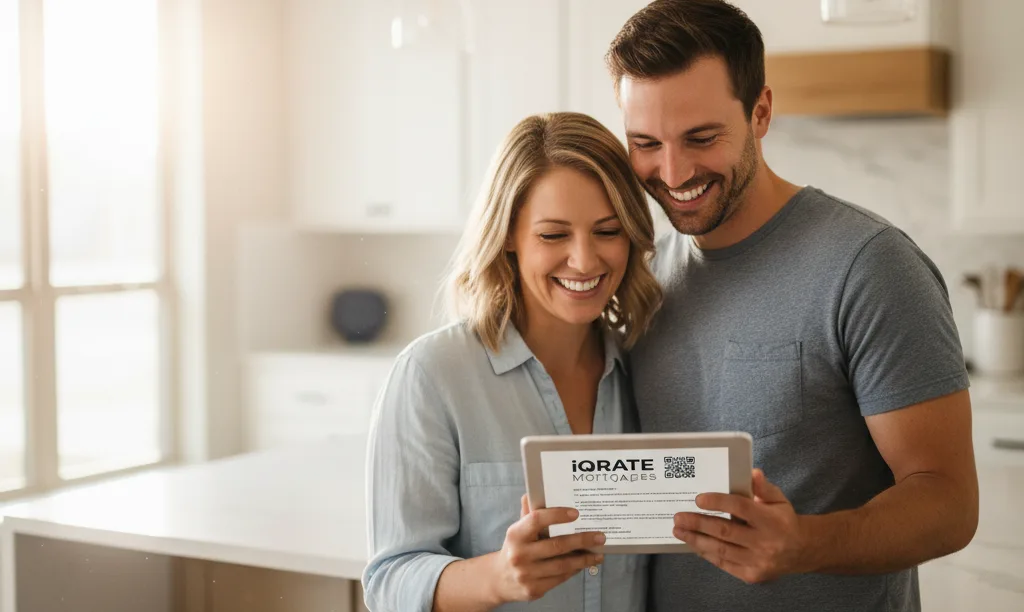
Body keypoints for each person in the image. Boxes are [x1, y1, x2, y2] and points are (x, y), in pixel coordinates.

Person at [604, 1, 979, 611]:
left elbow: (949, 503)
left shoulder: (868, 265)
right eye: (645, 143)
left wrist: (804, 544)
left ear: (761, 112)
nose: (672, 172)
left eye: (702, 137)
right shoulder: (640, 278)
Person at [361, 112, 662, 612]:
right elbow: (389, 583)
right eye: (553, 235)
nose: (585, 260)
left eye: (608, 231)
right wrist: (498, 576)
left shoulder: (644, 369)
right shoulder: (433, 375)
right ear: (507, 235)